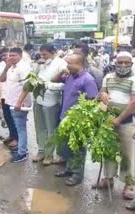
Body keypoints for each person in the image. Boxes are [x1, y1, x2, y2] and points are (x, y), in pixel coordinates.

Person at [94, 52, 135, 203]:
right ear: (115, 62)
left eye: (126, 63)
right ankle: (108, 178)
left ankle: (129, 185)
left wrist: (119, 119)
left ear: (131, 64)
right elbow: (102, 93)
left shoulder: (133, 79)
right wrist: (102, 95)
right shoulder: (108, 77)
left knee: (127, 154)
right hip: (108, 121)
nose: (123, 65)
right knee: (109, 151)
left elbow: (133, 102)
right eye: (120, 62)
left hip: (127, 121)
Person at [52, 54, 98, 186]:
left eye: (69, 63)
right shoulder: (70, 76)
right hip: (65, 118)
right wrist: (63, 71)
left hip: (78, 121)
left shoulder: (88, 80)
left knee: (77, 149)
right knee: (66, 147)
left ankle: (77, 175)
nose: (67, 66)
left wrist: (83, 120)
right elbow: (53, 80)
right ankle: (69, 169)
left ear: (79, 64)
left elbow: (92, 101)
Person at [31, 44, 67, 165]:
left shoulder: (61, 64)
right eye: (41, 54)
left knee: (51, 129)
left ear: (53, 53)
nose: (43, 57)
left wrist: (49, 86)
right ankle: (41, 151)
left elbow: (64, 84)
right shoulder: (40, 64)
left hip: (52, 101)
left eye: (45, 54)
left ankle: (49, 154)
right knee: (39, 127)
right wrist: (37, 64)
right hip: (38, 100)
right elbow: (33, 76)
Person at [0, 48, 32, 163]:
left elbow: (27, 86)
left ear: (20, 56)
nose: (11, 57)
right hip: (11, 102)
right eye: (10, 55)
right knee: (17, 127)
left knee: (21, 128)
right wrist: (7, 67)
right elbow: (2, 79)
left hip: (19, 104)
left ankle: (22, 153)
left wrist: (19, 102)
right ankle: (21, 149)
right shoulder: (11, 68)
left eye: (14, 55)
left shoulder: (23, 68)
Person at [0, 48, 18, 149]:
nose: (4, 57)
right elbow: (0, 78)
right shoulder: (2, 64)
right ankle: (11, 135)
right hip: (4, 95)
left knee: (14, 118)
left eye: (5, 55)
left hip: (13, 96)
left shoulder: (16, 65)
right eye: (2, 56)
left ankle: (17, 139)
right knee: (7, 117)